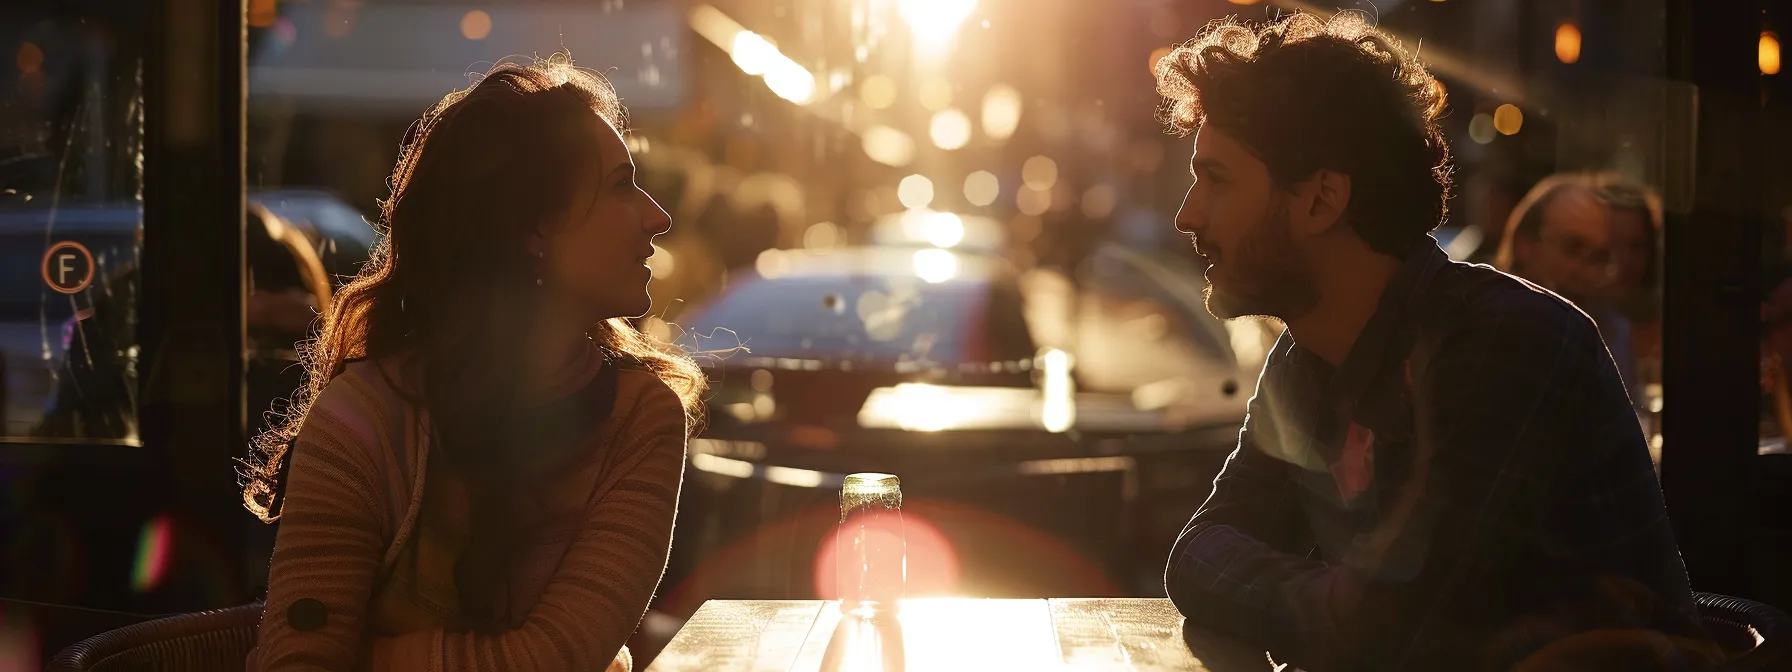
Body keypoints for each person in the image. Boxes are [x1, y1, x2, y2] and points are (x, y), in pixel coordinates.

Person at [1155, 13, 1711, 670]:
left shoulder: (1508, 345)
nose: (1186, 214)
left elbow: (1394, 634)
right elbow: (1197, 551)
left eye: (1217, 179)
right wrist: (1335, 603)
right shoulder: (1309, 357)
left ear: (1321, 201)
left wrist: (1339, 609)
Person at [240, 58, 705, 671]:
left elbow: (556, 657)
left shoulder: (641, 418)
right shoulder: (366, 417)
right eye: (622, 185)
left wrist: (374, 661)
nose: (658, 217)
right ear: (531, 228)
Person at [1495, 173, 1646, 403]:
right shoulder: (1487, 326)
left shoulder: (1610, 330)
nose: (1585, 270)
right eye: (1572, 248)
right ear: (1526, 245)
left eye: (1598, 256)